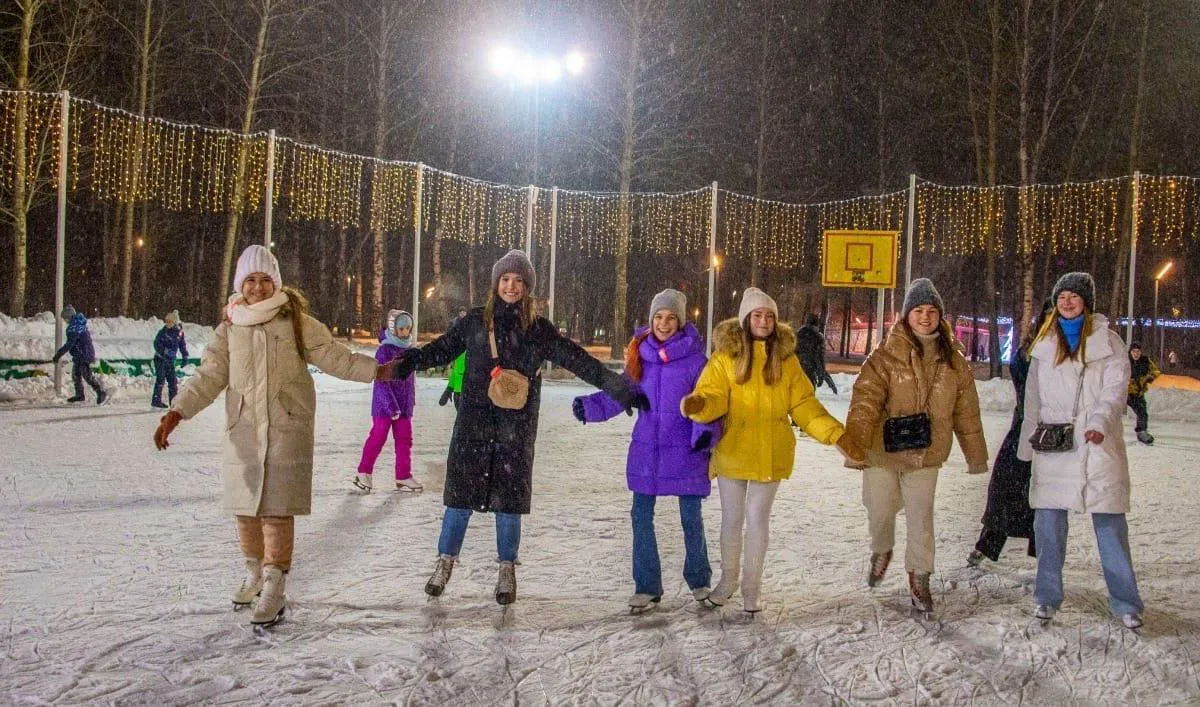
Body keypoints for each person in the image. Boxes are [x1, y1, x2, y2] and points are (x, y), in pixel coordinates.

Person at [152, 245, 395, 628]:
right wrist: (177, 411)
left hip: (286, 425)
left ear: (277, 283)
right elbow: (208, 376)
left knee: (276, 509)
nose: (259, 287)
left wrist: (376, 371)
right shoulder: (229, 328)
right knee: (246, 507)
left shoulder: (296, 322)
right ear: (240, 284)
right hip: (244, 428)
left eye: (266, 280)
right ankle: (253, 572)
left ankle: (274, 584)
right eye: (251, 280)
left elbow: (335, 356)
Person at [390, 250, 649, 606]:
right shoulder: (476, 322)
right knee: (459, 498)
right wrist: (413, 359)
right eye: (505, 280)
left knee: (508, 504)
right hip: (474, 424)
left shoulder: (537, 330)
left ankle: (506, 568)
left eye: (518, 281)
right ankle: (444, 562)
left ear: (527, 287)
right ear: (496, 284)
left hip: (516, 426)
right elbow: (442, 349)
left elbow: (578, 360)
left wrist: (619, 388)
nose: (511, 287)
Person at [681, 288, 863, 614]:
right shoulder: (726, 358)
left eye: (769, 316)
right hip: (733, 450)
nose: (764, 321)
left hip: (770, 451)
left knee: (757, 519)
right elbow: (713, 394)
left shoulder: (787, 361)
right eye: (757, 315)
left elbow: (805, 406)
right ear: (746, 319)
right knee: (731, 520)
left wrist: (837, 435)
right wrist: (700, 405)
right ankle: (727, 582)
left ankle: (752, 589)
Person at [844, 278, 988, 615]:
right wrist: (855, 446)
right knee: (880, 511)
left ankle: (919, 577)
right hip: (883, 450)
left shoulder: (954, 363)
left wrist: (976, 456)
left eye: (932, 311)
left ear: (940, 316)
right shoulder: (883, 357)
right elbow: (865, 401)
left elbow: (967, 412)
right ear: (907, 315)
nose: (925, 317)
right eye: (918, 311)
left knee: (921, 518)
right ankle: (881, 549)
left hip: (926, 453)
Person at [574, 289, 717, 611]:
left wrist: (704, 434)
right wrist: (590, 408)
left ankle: (699, 580)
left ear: (680, 322)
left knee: (691, 518)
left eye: (670, 318)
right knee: (641, 517)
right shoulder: (640, 357)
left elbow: (708, 403)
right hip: (647, 451)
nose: (663, 323)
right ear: (651, 320)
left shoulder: (697, 362)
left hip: (687, 450)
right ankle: (647, 586)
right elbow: (620, 394)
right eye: (658, 317)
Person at [1017, 272, 1145, 629]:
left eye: (1074, 296)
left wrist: (1100, 422)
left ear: (1086, 301)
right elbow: (1033, 400)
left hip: (1095, 447)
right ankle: (1046, 596)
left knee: (1109, 526)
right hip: (1055, 445)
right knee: (1048, 527)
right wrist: (1027, 446)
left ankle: (1125, 602)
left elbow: (1116, 390)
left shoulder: (1109, 343)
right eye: (1062, 297)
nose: (1067, 302)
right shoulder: (1044, 344)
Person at [967, 300, 1053, 567]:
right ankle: (987, 543)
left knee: (1045, 494)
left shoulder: (1064, 353)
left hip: (1051, 431)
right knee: (1005, 488)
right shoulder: (1031, 347)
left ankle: (1046, 555)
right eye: (1049, 315)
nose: (1053, 321)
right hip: (1021, 427)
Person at [354, 309, 422, 492]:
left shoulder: (408, 350)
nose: (405, 332)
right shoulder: (385, 351)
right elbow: (382, 382)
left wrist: (409, 402)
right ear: (393, 329)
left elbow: (409, 381)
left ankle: (403, 475)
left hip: (404, 407)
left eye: (408, 328)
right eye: (402, 329)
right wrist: (391, 406)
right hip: (385, 407)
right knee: (377, 438)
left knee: (404, 440)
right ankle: (363, 472)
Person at [52, 305, 107, 405]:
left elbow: (70, 344)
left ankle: (100, 392)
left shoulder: (74, 328)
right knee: (76, 374)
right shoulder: (78, 324)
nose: (65, 321)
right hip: (81, 353)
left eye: (65, 318)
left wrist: (58, 354)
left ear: (69, 317)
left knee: (86, 374)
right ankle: (80, 394)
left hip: (84, 354)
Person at [151, 309, 189, 409]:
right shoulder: (163, 331)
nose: (166, 323)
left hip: (170, 361)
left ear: (174, 322)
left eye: (169, 321)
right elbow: (156, 343)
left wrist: (185, 356)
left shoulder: (179, 332)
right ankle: (156, 400)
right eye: (166, 321)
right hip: (160, 359)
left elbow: (182, 344)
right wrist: (165, 351)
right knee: (160, 379)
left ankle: (174, 402)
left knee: (173, 382)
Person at [795, 313, 837, 393]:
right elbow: (819, 359)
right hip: (810, 374)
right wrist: (822, 375)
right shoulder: (818, 337)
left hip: (797, 373)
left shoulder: (797, 335)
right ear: (816, 324)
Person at [1126, 342, 1159, 445]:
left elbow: (1155, 371)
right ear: (1130, 352)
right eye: (1133, 351)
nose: (1136, 354)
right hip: (1126, 392)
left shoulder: (1145, 361)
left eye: (1138, 351)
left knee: (1142, 412)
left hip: (1138, 393)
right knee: (1112, 411)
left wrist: (1148, 378)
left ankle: (1142, 432)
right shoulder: (1125, 361)